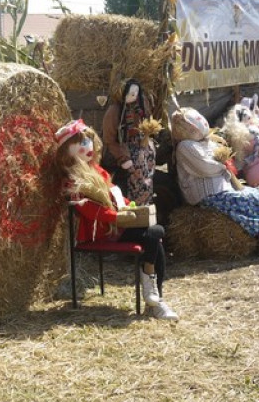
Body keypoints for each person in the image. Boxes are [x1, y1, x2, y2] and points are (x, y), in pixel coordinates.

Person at [55, 119, 179, 320]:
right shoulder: (72, 180)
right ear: (66, 152)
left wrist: (131, 207)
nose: (87, 147)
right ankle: (155, 300)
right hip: (104, 232)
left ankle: (154, 296)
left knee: (155, 235)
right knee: (155, 234)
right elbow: (89, 210)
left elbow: (115, 197)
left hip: (120, 225)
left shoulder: (99, 171)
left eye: (88, 142)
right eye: (79, 144)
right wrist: (119, 217)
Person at [170, 107, 259, 256]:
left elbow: (220, 164)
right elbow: (207, 168)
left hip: (225, 191)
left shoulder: (208, 142)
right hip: (210, 196)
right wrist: (224, 166)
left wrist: (225, 166)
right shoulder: (186, 146)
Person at [100, 78, 158, 207]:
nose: (134, 96)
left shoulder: (140, 107)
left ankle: (145, 201)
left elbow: (146, 123)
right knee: (136, 168)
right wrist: (123, 157)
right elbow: (109, 139)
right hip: (124, 148)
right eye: (131, 93)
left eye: (136, 93)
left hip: (141, 146)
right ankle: (135, 204)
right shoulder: (114, 111)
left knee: (147, 167)